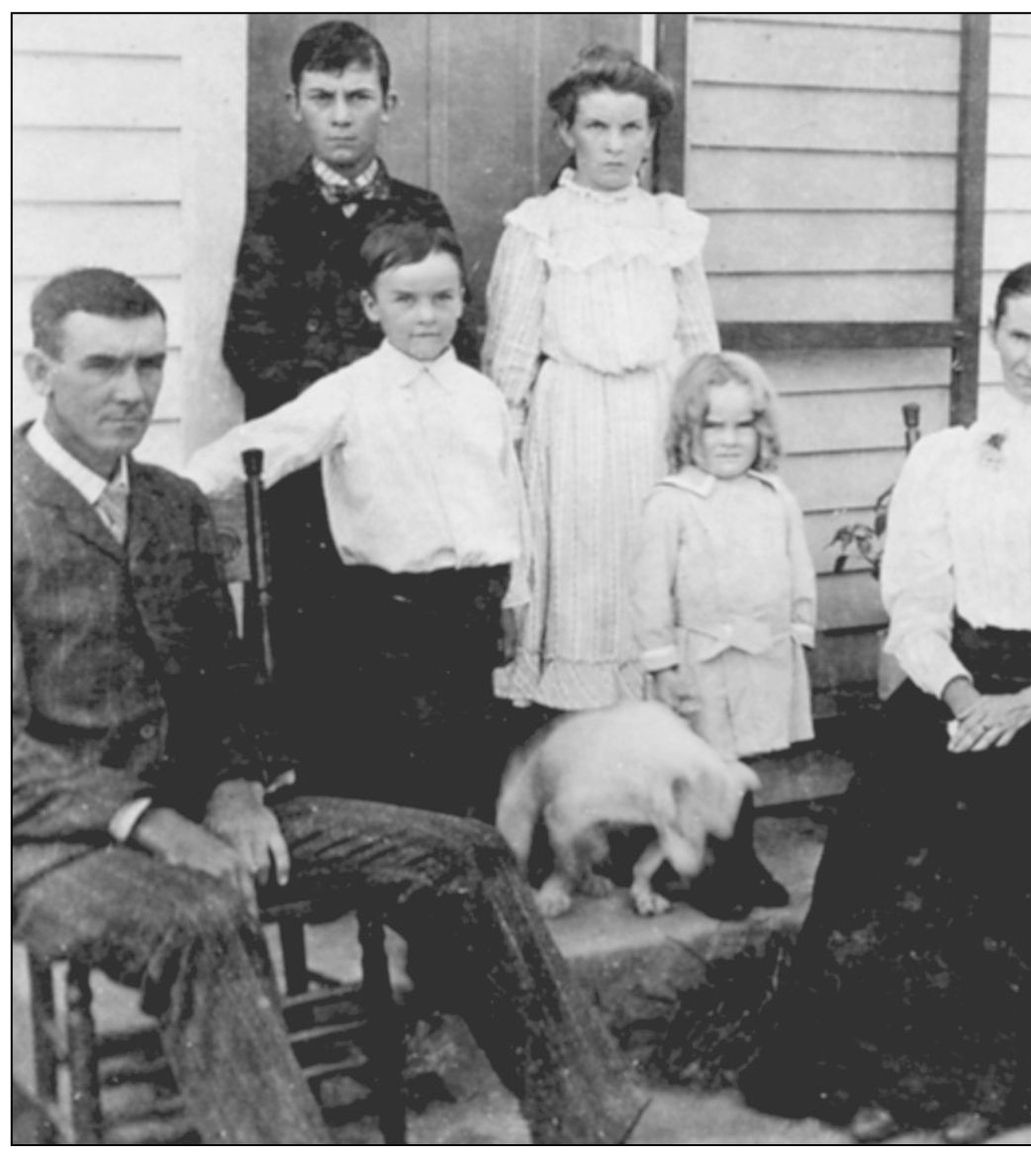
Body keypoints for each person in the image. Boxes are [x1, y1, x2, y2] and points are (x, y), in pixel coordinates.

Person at [12, 267, 644, 1144]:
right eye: (102, 366)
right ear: (39, 372)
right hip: (55, 842)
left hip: (208, 809)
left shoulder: (172, 505)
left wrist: (235, 785)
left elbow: (228, 681)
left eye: (150, 365)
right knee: (203, 920)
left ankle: (597, 1127)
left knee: (468, 855)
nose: (133, 392)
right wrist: (147, 820)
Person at [739, 262, 1031, 1144]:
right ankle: (879, 1078)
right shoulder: (944, 458)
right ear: (995, 335)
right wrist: (965, 692)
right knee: (881, 835)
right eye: (1020, 337)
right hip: (962, 678)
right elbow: (918, 606)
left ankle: (986, 1085)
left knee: (1011, 841)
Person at [189, 223, 523, 817]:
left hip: (473, 603)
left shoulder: (480, 395)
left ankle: (459, 875)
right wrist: (174, 489)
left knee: (470, 749)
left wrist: (514, 598)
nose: (427, 316)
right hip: (391, 613)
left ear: (463, 302)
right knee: (401, 760)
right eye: (405, 299)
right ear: (371, 306)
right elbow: (262, 446)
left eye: (443, 298)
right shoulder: (347, 394)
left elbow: (509, 500)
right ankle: (406, 886)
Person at [223, 19, 481, 777]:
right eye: (323, 97)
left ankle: (402, 816)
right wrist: (352, 388)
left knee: (398, 648)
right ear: (293, 104)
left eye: (358, 97)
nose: (341, 115)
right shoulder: (275, 210)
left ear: (388, 103)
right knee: (309, 650)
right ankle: (324, 816)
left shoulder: (419, 210)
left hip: (398, 467)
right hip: (307, 482)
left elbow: (447, 332)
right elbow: (252, 345)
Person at [484, 43, 721, 712]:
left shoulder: (672, 228)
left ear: (649, 134)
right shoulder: (538, 228)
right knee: (586, 589)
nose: (615, 146)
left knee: (654, 580)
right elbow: (508, 364)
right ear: (568, 132)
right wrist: (510, 463)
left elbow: (703, 353)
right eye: (597, 127)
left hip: (655, 428)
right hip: (572, 432)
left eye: (631, 128)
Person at [631, 352, 812, 915]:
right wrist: (661, 663)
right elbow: (649, 590)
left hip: (762, 654)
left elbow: (797, 565)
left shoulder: (774, 497)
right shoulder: (672, 502)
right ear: (690, 430)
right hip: (699, 661)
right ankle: (700, 870)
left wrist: (798, 630)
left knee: (743, 767)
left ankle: (743, 861)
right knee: (704, 770)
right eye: (714, 425)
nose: (730, 440)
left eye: (744, 426)